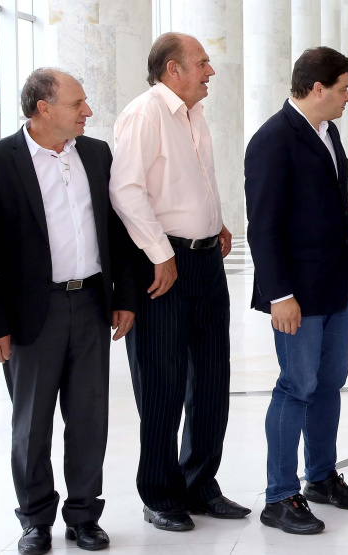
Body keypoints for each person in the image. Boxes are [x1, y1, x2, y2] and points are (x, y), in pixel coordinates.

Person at [0, 68, 138, 554]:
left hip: (90, 303)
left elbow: (118, 232)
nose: (88, 111)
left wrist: (124, 296)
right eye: (77, 103)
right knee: (32, 422)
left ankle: (85, 515)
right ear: (44, 109)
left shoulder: (96, 153)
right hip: (30, 312)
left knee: (89, 417)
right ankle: (35, 519)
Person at [109, 32, 249, 531]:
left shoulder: (194, 114)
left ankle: (199, 484)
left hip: (206, 260)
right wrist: (161, 253)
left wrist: (216, 221)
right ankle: (160, 493)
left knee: (213, 377)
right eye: (202, 63)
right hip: (162, 263)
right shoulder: (145, 113)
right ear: (173, 69)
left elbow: (195, 180)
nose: (210, 72)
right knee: (163, 383)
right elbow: (126, 190)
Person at [245, 46, 348, 535]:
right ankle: (280, 495)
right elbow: (263, 226)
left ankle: (320, 478)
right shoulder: (272, 140)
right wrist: (279, 295)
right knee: (296, 386)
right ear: (317, 89)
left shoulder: (329, 132)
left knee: (329, 383)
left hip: (334, 284)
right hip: (295, 292)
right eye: (343, 88)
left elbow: (338, 211)